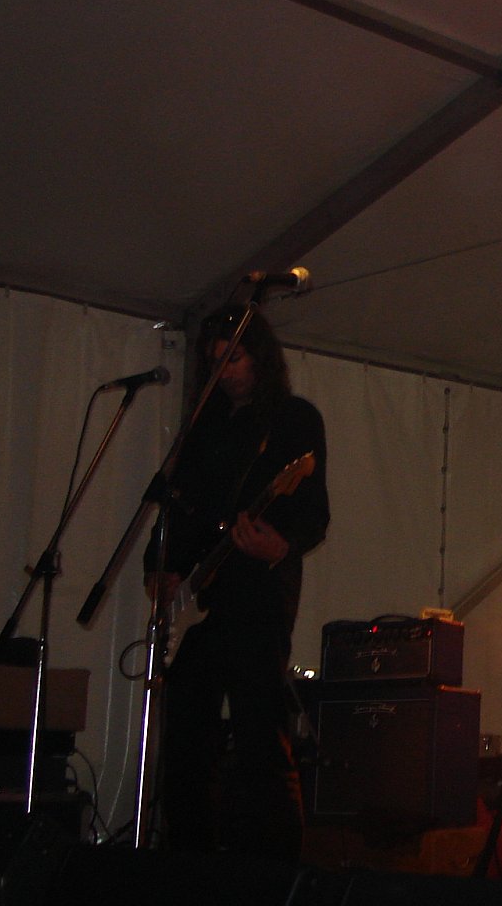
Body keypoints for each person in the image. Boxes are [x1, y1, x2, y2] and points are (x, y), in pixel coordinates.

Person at [144, 309, 330, 859]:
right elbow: (177, 508)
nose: (225, 371)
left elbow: (314, 512)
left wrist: (282, 544)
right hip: (197, 600)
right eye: (216, 361)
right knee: (185, 742)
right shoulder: (204, 427)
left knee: (261, 736)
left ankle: (277, 872)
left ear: (260, 358)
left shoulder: (293, 419)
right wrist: (161, 566)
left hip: (257, 595)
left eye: (236, 358)